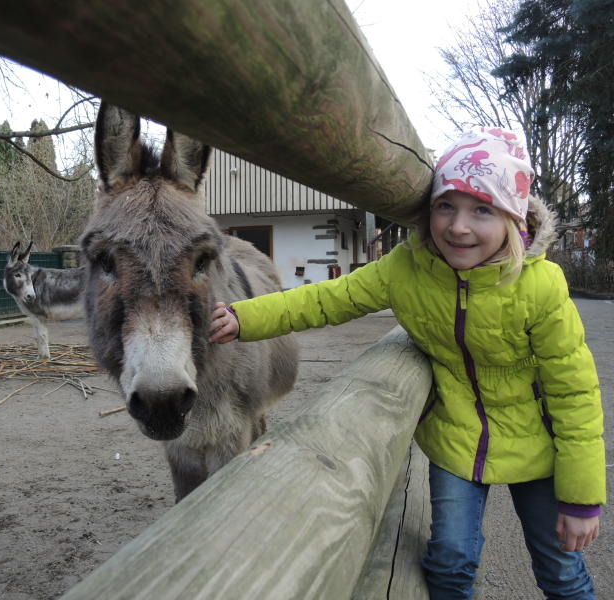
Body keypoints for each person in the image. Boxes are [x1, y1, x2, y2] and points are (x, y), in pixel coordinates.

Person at [208, 127, 605, 599]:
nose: (458, 226)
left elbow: (574, 391)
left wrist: (581, 497)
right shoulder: (406, 268)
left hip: (540, 446)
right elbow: (327, 299)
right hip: (456, 439)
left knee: (560, 569)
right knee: (452, 561)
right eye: (445, 206)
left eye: (482, 209)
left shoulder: (541, 286)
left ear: (513, 221)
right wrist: (242, 316)